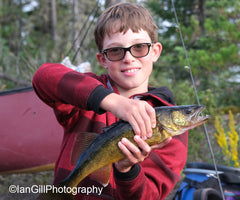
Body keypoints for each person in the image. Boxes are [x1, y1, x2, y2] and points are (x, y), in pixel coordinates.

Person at [32, 2, 188, 199]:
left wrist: (127, 170)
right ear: (102, 59)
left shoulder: (172, 132)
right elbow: (43, 77)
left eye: (139, 47)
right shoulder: (84, 96)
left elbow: (150, 195)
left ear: (155, 51)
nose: (129, 58)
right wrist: (111, 101)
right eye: (115, 51)